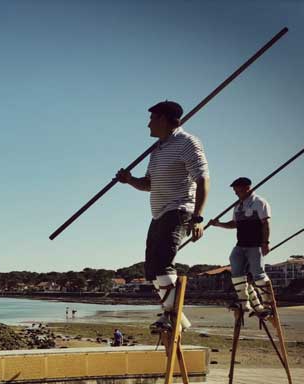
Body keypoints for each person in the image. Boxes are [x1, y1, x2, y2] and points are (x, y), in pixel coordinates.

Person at [116, 100, 210, 333]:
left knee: (164, 262)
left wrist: (198, 218)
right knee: (152, 268)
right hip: (158, 213)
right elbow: (148, 184)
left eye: (152, 118)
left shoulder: (187, 142)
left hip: (178, 209)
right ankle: (176, 317)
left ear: (164, 119)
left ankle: (172, 316)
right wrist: (129, 180)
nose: (148, 124)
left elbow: (203, 180)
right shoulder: (157, 150)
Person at [209, 177, 272, 318]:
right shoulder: (238, 205)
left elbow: (265, 224)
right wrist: (218, 224)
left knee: (258, 273)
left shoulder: (260, 203)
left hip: (255, 244)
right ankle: (245, 304)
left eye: (237, 190)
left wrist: (265, 243)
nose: (235, 193)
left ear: (246, 188)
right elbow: (234, 224)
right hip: (241, 244)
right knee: (236, 268)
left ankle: (268, 305)